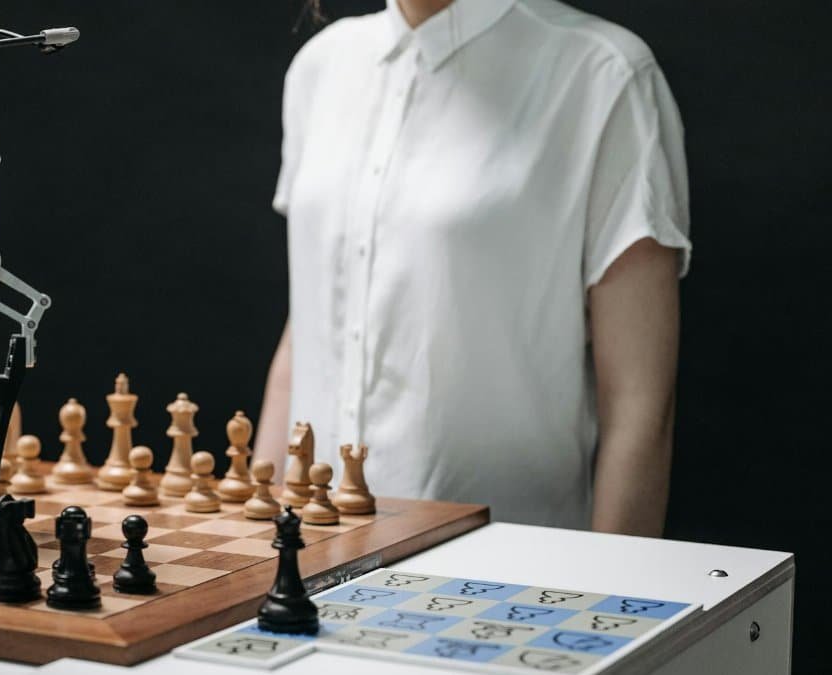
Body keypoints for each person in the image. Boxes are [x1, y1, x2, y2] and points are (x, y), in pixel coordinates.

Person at [255, 0, 691, 535]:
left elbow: (641, 406)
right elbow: (310, 334)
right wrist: (256, 545)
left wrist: (608, 603)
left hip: (504, 572)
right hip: (309, 553)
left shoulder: (602, 74)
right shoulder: (321, 66)